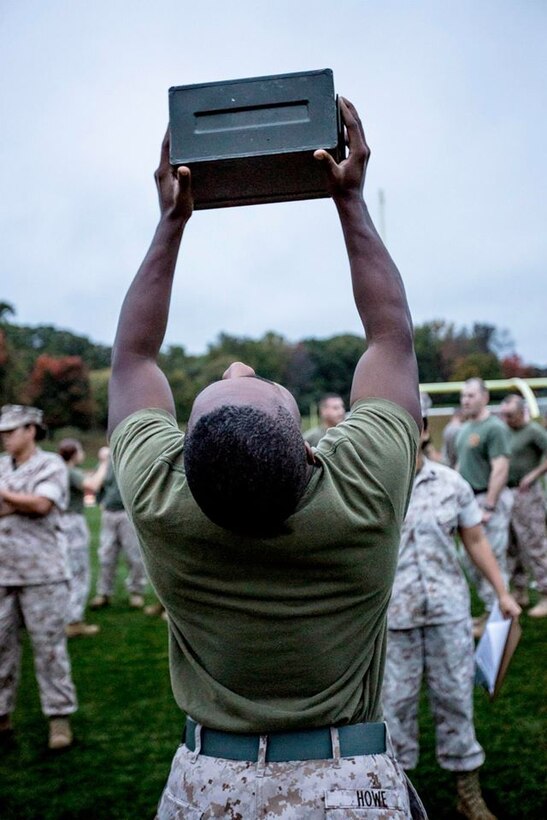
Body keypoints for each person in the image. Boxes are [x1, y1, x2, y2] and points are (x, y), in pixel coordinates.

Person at [108, 98, 426, 818]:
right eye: (252, 383)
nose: (240, 366)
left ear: (182, 457)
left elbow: (131, 358)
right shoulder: (361, 492)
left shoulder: (161, 502)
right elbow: (390, 339)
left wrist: (170, 220)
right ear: (311, 453)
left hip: (206, 784)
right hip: (347, 785)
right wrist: (348, 200)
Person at [382, 395, 521, 820]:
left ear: (425, 430)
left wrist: (501, 592)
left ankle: (468, 795)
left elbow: (475, 539)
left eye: (416, 423)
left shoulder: (451, 484)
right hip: (393, 618)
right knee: (393, 709)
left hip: (448, 612)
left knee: (457, 700)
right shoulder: (375, 485)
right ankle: (397, 798)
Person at [0, 404, 78, 749]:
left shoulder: (51, 464)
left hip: (42, 573)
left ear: (31, 429)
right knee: (1, 649)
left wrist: (7, 498)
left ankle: (58, 718)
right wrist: (22, 500)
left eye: (11, 431)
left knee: (49, 649)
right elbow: (29, 502)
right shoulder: (2, 466)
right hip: (3, 573)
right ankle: (1, 715)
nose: (4, 437)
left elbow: (42, 505)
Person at [456, 378, 512, 636]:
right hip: (469, 504)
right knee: (472, 562)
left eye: (470, 395)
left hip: (487, 502)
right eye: (463, 396)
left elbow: (500, 467)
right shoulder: (465, 429)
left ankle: (500, 624)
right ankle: (492, 613)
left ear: (485, 397)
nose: (465, 400)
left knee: (493, 560)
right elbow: (461, 468)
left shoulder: (494, 428)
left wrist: (489, 505)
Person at [500, 394, 547, 617]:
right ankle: (520, 591)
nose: (506, 418)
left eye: (510, 415)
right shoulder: (504, 430)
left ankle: (545, 595)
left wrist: (534, 474)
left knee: (534, 544)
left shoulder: (534, 432)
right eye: (504, 415)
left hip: (527, 495)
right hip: (507, 493)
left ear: (521, 412)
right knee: (511, 545)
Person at [57, 438, 109, 637]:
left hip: (59, 523)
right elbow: (92, 486)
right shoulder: (70, 471)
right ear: (74, 454)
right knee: (78, 572)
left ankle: (64, 614)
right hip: (72, 523)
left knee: (66, 569)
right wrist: (104, 462)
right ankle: (74, 621)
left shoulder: (57, 470)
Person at [89, 451, 147, 610]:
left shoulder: (133, 461)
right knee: (106, 556)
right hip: (109, 514)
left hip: (127, 514)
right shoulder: (105, 464)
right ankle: (104, 593)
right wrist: (101, 502)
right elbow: (99, 486)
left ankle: (136, 592)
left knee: (134, 556)